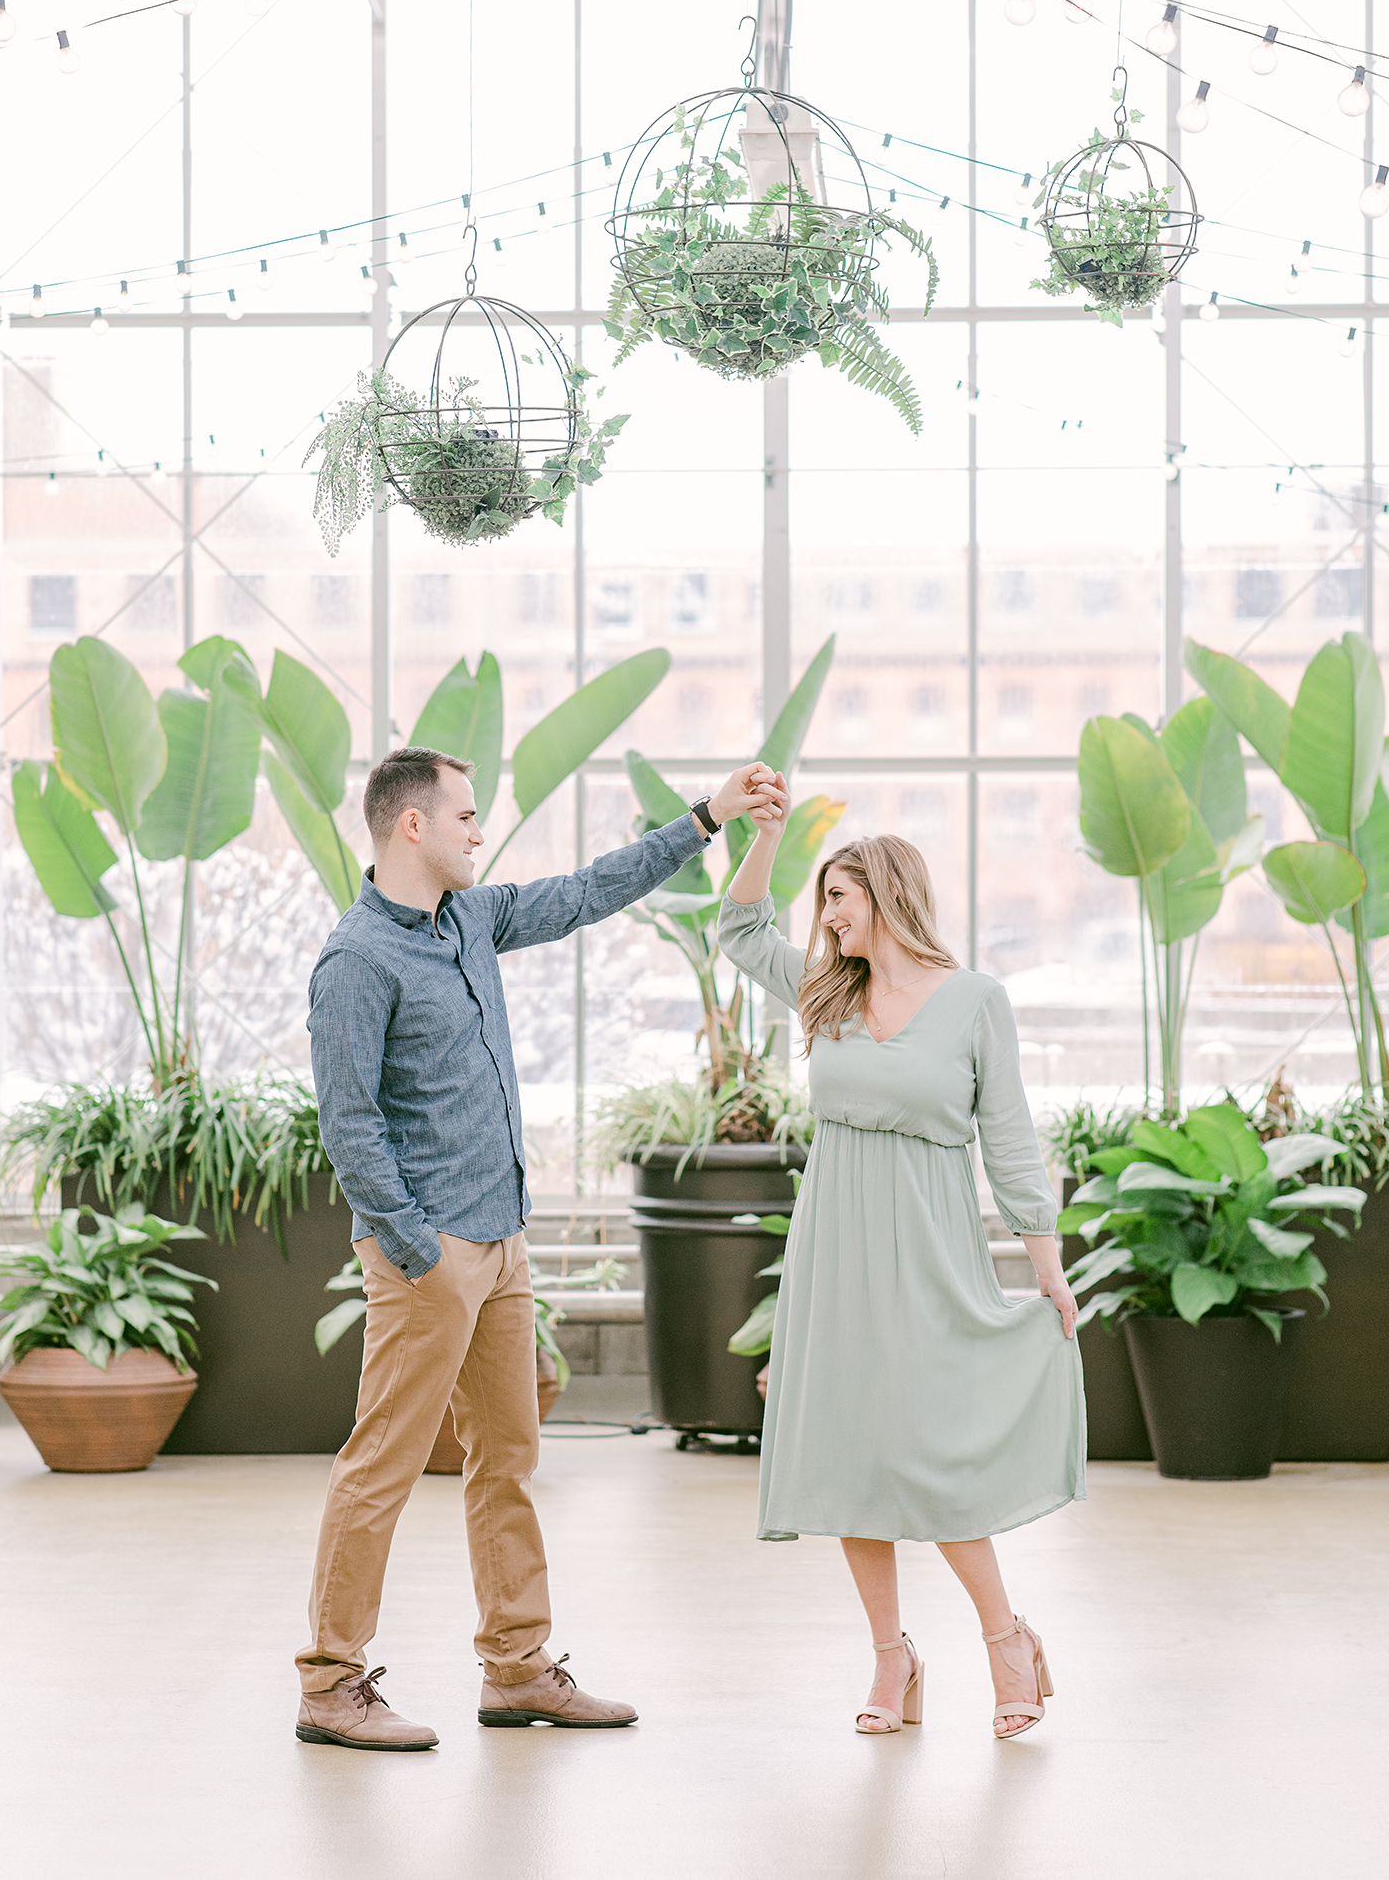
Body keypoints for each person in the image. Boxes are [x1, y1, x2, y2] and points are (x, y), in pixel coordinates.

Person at [295, 746, 784, 1751]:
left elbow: (586, 891)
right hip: (430, 1254)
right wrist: (418, 1248)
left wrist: (705, 817)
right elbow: (349, 1126)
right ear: (412, 827)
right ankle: (330, 1683)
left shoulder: (470, 918)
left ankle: (517, 1669)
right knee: (379, 1466)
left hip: (502, 1241)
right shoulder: (355, 961)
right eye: (466, 817)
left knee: (507, 1460)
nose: (480, 832)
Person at [718, 786, 1084, 1740]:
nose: (828, 915)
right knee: (850, 1449)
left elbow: (1008, 1138)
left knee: (931, 1450)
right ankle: (891, 1657)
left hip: (930, 1246)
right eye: (825, 900)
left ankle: (1005, 1638)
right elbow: (738, 925)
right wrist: (766, 836)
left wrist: (1043, 1261)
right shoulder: (825, 992)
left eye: (841, 897)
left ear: (888, 896)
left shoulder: (973, 1003)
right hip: (835, 1246)